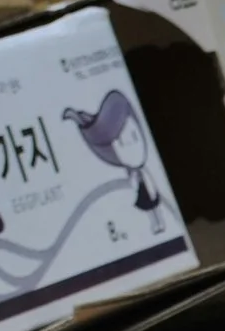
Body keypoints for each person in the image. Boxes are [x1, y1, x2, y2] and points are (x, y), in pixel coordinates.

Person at [62, 91, 165, 234]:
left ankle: (159, 222)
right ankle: (155, 224)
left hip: (147, 188)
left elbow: (148, 178)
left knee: (154, 206)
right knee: (149, 208)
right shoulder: (130, 165)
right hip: (142, 189)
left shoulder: (139, 162)